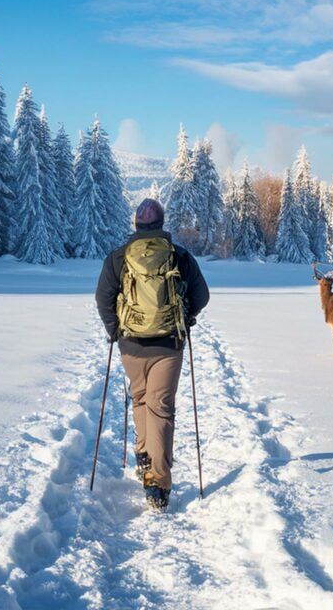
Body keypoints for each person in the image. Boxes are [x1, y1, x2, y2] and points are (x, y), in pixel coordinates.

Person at [95, 197, 210, 510]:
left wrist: (114, 330)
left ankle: (145, 459)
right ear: (161, 224)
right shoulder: (179, 256)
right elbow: (202, 295)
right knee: (161, 407)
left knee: (141, 400)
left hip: (130, 343)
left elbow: (103, 297)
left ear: (136, 225)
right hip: (168, 343)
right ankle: (157, 484)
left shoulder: (118, 258)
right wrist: (187, 317)